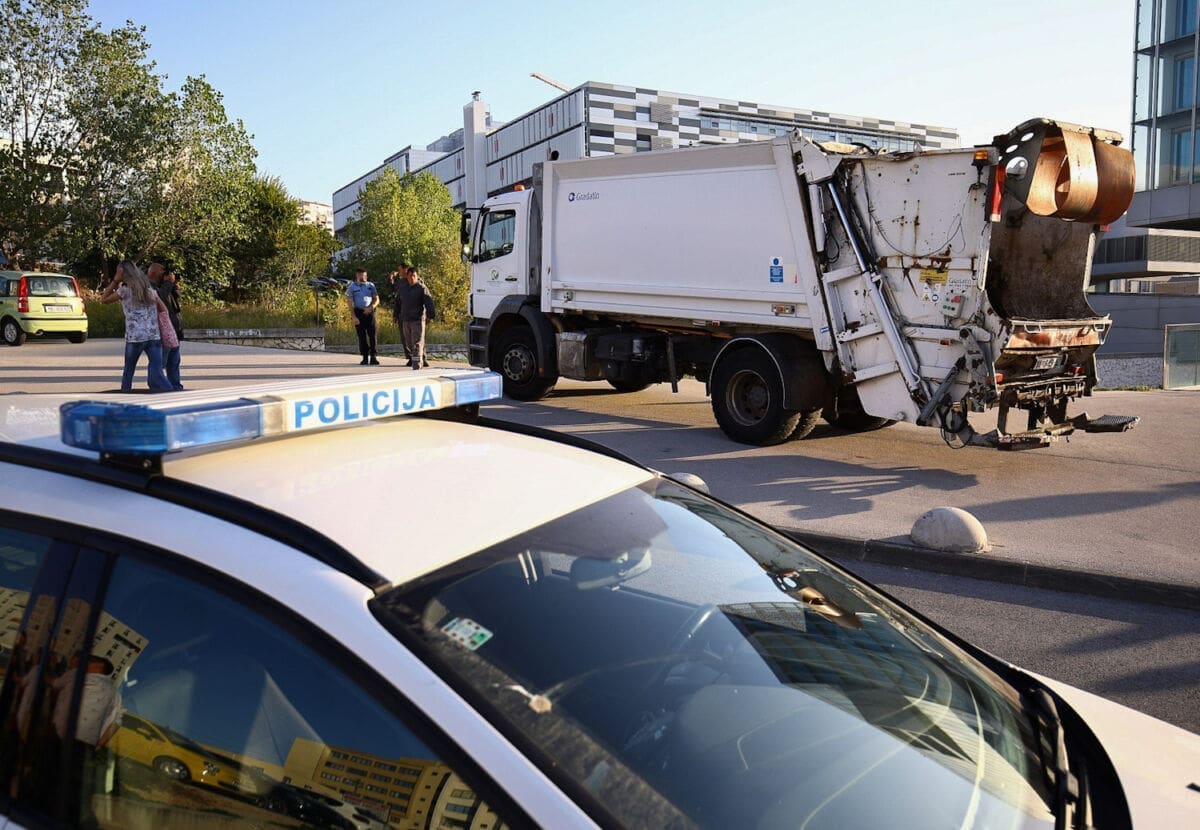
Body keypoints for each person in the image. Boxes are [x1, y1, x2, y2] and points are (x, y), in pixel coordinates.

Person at [100, 261, 172, 391]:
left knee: (129, 372)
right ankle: (170, 395)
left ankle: (126, 398)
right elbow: (163, 310)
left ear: (122, 273)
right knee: (158, 372)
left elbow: (103, 300)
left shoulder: (124, 291)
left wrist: (115, 281)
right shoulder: (150, 291)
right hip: (153, 336)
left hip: (135, 338)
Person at [148, 263, 184, 390]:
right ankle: (156, 387)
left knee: (174, 362)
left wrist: (174, 285)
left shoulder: (165, 287)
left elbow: (176, 298)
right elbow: (160, 296)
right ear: (153, 274)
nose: (163, 277)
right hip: (161, 332)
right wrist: (168, 283)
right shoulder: (149, 287)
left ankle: (176, 387)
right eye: (161, 275)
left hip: (173, 329)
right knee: (160, 363)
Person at [397, 266, 436, 369]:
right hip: (406, 319)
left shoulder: (421, 288)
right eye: (410, 276)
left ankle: (417, 365)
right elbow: (398, 302)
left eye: (414, 276)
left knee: (417, 343)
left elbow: (429, 302)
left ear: (417, 276)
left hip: (417, 319)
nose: (412, 278)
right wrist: (396, 314)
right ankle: (420, 359)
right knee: (409, 343)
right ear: (407, 277)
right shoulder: (403, 288)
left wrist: (430, 315)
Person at [346, 268, 380, 365]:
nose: (364, 278)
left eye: (365, 276)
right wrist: (353, 317)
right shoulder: (352, 287)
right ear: (357, 276)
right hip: (358, 312)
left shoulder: (371, 286)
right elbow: (349, 303)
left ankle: (373, 356)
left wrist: (371, 307)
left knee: (373, 335)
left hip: (369, 312)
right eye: (362, 276)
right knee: (362, 336)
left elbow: (376, 299)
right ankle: (365, 357)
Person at [389, 263, 412, 364]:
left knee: (417, 336)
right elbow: (396, 295)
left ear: (405, 269)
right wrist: (391, 279)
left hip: (415, 313)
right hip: (402, 313)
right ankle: (410, 357)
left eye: (400, 269)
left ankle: (421, 356)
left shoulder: (416, 280)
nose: (399, 272)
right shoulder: (401, 282)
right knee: (405, 337)